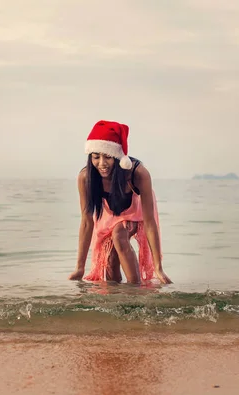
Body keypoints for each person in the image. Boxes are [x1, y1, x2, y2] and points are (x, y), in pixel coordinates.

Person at [68, 120, 172, 284]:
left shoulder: (137, 173)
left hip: (137, 213)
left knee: (119, 234)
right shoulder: (85, 177)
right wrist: (79, 267)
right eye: (96, 157)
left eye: (108, 157)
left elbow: (150, 222)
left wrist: (159, 267)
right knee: (109, 260)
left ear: (117, 157)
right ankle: (116, 296)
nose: (101, 164)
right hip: (110, 215)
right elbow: (87, 222)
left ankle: (134, 290)